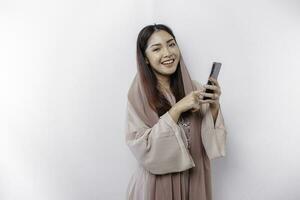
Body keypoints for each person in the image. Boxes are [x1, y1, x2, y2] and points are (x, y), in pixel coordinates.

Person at [125, 24, 227, 200]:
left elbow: (212, 147)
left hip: (193, 181)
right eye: (157, 49)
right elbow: (142, 147)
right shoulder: (137, 96)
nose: (168, 53)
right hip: (156, 186)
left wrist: (214, 106)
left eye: (171, 44)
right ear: (146, 58)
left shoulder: (194, 88)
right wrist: (177, 108)